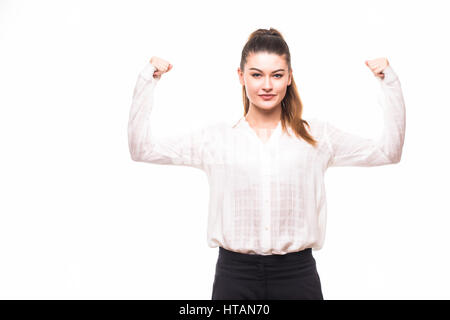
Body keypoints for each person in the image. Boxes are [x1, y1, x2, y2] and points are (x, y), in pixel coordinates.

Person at [127, 28, 406, 300]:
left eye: (277, 75)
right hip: (234, 278)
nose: (267, 85)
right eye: (256, 74)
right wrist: (147, 79)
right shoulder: (216, 139)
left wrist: (389, 82)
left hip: (298, 278)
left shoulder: (317, 136)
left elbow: (387, 152)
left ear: (289, 78)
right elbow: (143, 150)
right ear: (241, 76)